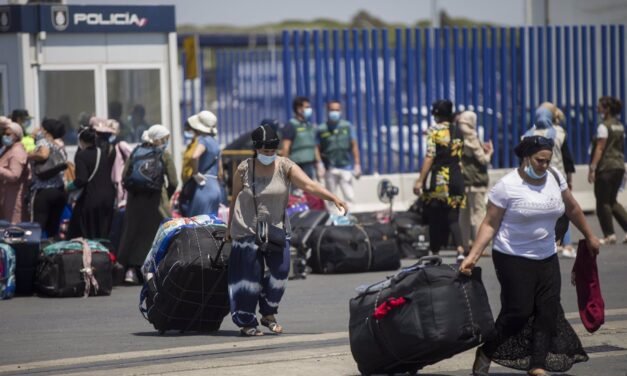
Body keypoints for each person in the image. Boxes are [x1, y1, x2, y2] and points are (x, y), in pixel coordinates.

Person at [460, 135, 600, 376]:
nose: (543, 166)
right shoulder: (507, 185)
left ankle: (537, 364)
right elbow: (490, 223)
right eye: (539, 161)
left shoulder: (555, 178)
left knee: (547, 310)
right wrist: (473, 255)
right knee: (518, 311)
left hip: (546, 255)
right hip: (511, 256)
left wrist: (590, 235)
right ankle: (486, 352)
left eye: (547, 161)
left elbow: (573, 208)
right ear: (526, 158)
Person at [227, 124, 348, 336]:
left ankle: (268, 313)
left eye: (272, 150)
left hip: (275, 228)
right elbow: (234, 197)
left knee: (281, 271)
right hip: (246, 228)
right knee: (248, 277)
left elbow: (309, 185)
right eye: (265, 151)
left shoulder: (285, 166)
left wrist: (333, 197)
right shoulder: (244, 168)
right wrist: (229, 227)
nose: (269, 154)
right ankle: (246, 321)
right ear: (256, 149)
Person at [117, 125, 178, 284]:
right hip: (157, 200)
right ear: (160, 138)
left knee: (133, 233)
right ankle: (155, 269)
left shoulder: (136, 152)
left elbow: (125, 176)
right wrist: (166, 196)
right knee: (159, 234)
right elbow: (173, 181)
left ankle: (129, 270)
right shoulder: (164, 154)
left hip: (135, 200)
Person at [413, 99, 466, 260]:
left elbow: (430, 156)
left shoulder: (434, 131)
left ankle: (434, 252)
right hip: (456, 177)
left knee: (435, 215)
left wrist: (420, 180)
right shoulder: (458, 130)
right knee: (453, 217)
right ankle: (460, 250)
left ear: (436, 114)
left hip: (440, 179)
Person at [588, 96, 627, 244]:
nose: (597, 108)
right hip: (618, 166)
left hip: (606, 167)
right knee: (612, 201)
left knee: (602, 202)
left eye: (600, 106)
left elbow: (600, 148)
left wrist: (592, 168)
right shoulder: (619, 125)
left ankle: (609, 235)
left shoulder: (603, 126)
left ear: (607, 109)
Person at [66, 126, 115, 239]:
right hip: (108, 196)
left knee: (86, 231)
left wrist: (69, 186)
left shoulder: (81, 155)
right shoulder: (102, 153)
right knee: (103, 230)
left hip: (91, 198)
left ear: (81, 141)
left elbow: (82, 179)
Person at [92, 117, 133, 250]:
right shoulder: (106, 147)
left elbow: (133, 158)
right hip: (112, 185)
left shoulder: (121, 145)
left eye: (113, 129)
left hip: (121, 185)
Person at [317, 100, 362, 211]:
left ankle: (349, 219)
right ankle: (332, 220)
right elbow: (316, 148)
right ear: (327, 111)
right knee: (330, 197)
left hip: (345, 166)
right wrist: (319, 163)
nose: (334, 112)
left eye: (337, 110)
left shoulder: (347, 126)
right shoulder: (322, 128)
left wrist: (357, 164)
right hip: (330, 168)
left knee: (349, 195)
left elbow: (354, 145)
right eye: (332, 110)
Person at [459, 111, 493, 251]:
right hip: (476, 180)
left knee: (464, 214)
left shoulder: (458, 135)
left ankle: (465, 244)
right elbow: (483, 160)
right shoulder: (471, 136)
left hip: (463, 180)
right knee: (478, 213)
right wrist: (489, 152)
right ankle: (480, 247)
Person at [28, 119, 67, 238]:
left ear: (45, 130)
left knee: (37, 227)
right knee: (53, 228)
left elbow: (44, 154)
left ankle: (34, 254)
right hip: (59, 190)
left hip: (44, 190)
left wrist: (29, 155)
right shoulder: (57, 144)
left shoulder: (43, 140)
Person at [185, 110, 224, 216]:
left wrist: (196, 173)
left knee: (198, 224)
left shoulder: (203, 140)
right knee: (212, 224)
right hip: (215, 187)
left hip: (204, 187)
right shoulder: (216, 143)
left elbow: (195, 156)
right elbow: (220, 172)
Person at [281, 96, 322, 180]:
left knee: (309, 191)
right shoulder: (291, 125)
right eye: (307, 107)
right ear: (299, 109)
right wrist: (285, 166)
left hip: (309, 164)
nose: (309, 109)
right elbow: (285, 147)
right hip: (297, 165)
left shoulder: (309, 125)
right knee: (297, 191)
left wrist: (319, 162)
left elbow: (313, 145)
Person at [0, 121, 29, 223]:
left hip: (14, 196)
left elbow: (14, 175)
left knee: (14, 227)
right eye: (4, 134)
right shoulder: (7, 149)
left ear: (16, 136)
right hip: (5, 194)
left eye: (8, 134)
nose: (4, 136)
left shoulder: (17, 151)